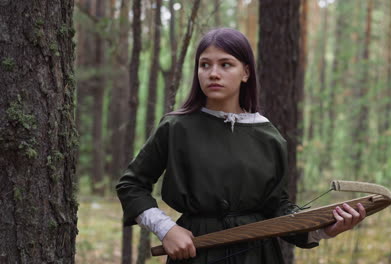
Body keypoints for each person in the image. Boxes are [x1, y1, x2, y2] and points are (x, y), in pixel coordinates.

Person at [116, 28, 366, 264]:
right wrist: (166, 229)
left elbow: (276, 208)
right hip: (197, 250)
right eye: (205, 65)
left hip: (258, 254)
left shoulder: (268, 135)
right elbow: (131, 186)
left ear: (245, 72)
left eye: (225, 64)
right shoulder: (176, 127)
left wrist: (323, 230)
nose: (213, 73)